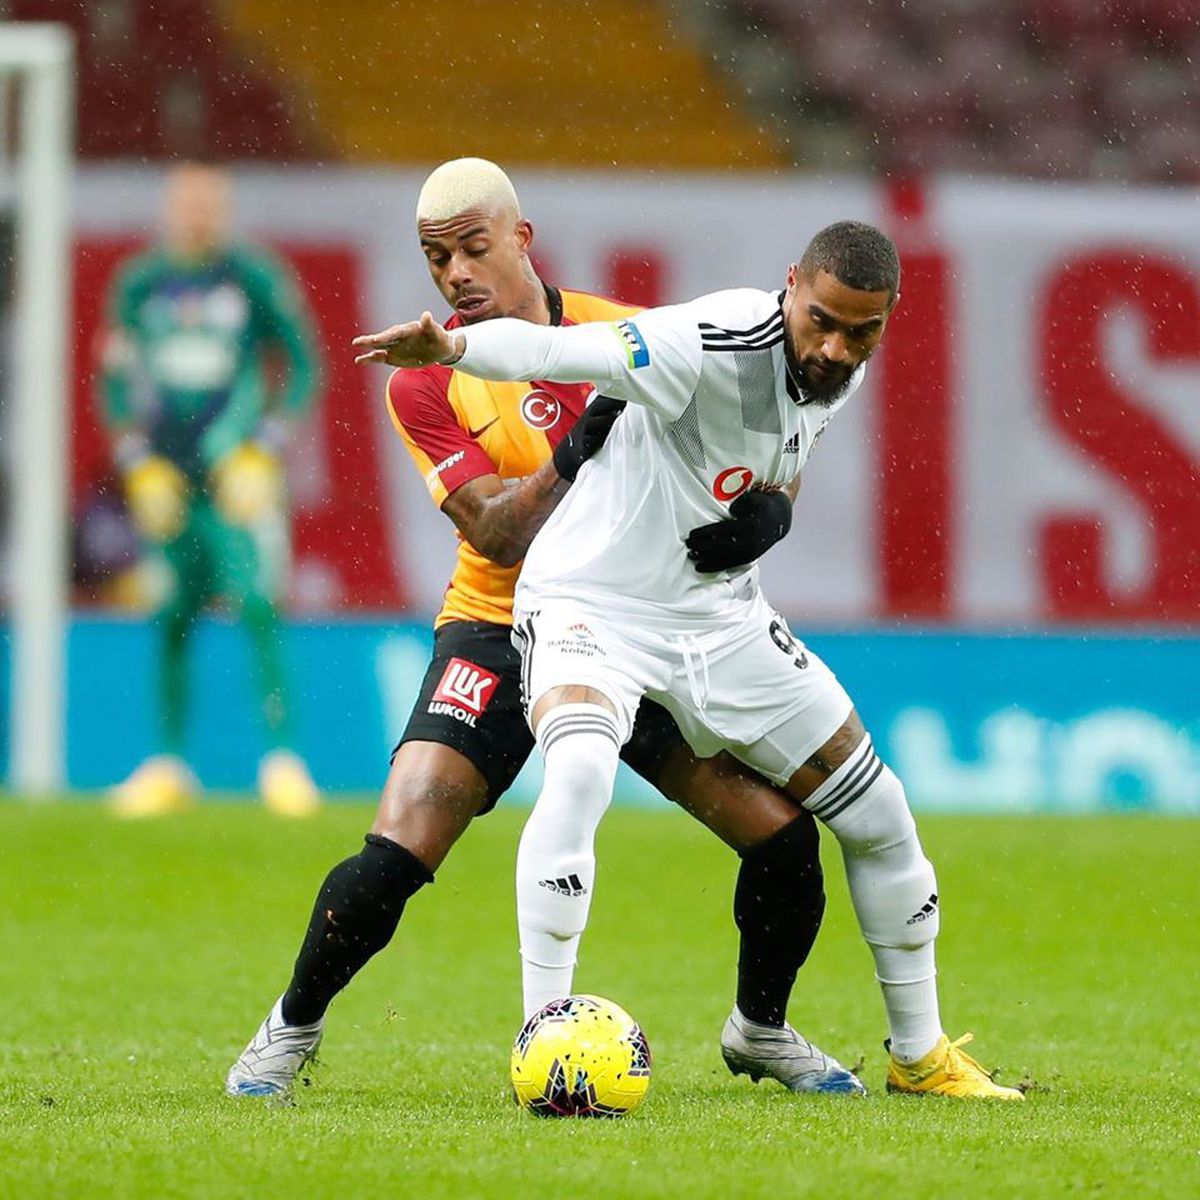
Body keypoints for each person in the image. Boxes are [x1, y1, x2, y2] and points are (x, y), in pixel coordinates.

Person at [227, 158, 864, 1099]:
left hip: (623, 625)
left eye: (472, 249)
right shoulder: (428, 380)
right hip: (495, 622)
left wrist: (775, 508)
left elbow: (765, 433)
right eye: (435, 258)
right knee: (402, 839)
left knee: (781, 838)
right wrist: (580, 447)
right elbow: (493, 527)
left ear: (521, 241)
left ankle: (759, 1031)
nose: (454, 275)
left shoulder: (623, 336)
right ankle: (288, 1028)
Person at [355, 218, 1025, 1100]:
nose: (834, 347)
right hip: (593, 601)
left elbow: (778, 453)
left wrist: (774, 510)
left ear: (885, 318)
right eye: (820, 320)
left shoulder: (838, 364)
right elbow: (557, 348)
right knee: (584, 770)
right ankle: (543, 1051)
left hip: (717, 618)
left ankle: (919, 1055)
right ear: (790, 285)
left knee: (881, 814)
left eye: (861, 331)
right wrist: (453, 344)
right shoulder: (709, 337)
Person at [99, 162, 322, 819]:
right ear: (170, 209)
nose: (196, 214)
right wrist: (138, 462)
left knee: (257, 603)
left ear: (222, 211)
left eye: (207, 203)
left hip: (236, 478)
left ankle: (283, 762)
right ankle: (168, 763)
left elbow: (305, 365)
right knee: (170, 612)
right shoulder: (140, 283)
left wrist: (266, 450)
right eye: (186, 202)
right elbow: (112, 379)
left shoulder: (253, 278)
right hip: (170, 478)